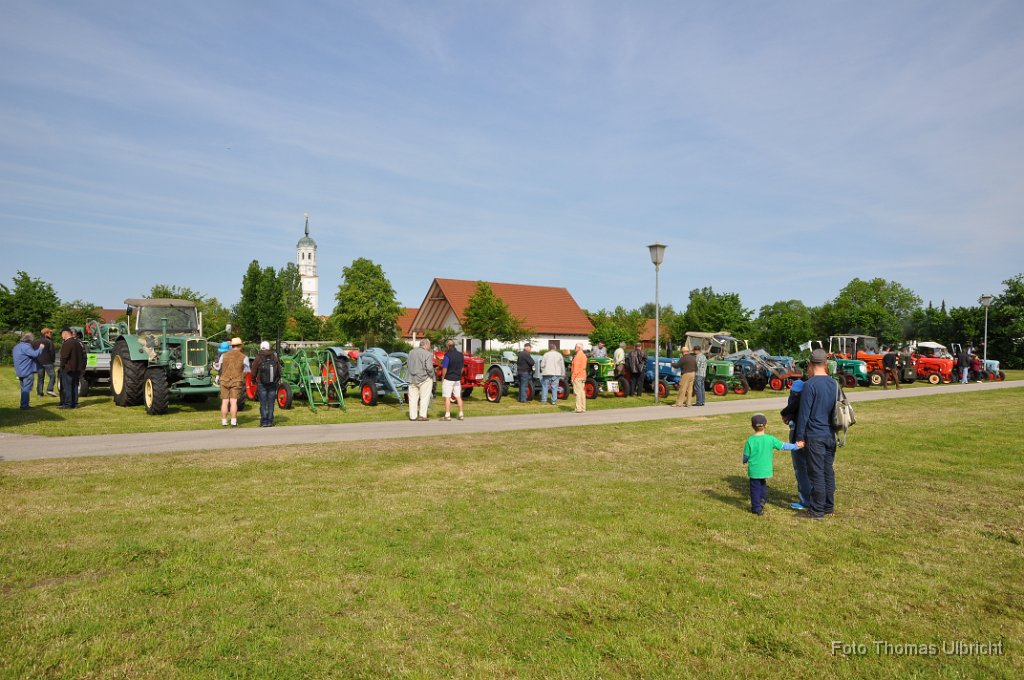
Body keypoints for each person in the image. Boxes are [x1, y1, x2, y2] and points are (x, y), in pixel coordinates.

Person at [794, 348, 838, 520]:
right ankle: (828, 506)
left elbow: (803, 415)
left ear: (810, 364)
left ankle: (817, 511)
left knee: (817, 473)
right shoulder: (834, 383)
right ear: (826, 364)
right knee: (828, 471)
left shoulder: (810, 385)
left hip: (814, 435)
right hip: (830, 434)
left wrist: (799, 437)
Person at [743, 413, 799, 515]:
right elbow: (783, 446)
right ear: (766, 425)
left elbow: (746, 455)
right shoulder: (770, 439)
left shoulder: (750, 440)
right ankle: (762, 500)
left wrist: (744, 460)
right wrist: (795, 446)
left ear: (752, 426)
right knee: (762, 483)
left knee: (755, 488)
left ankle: (756, 508)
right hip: (765, 469)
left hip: (754, 470)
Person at [780, 379, 812, 510]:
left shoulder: (799, 397)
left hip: (798, 434)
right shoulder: (815, 391)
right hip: (815, 433)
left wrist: (785, 413)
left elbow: (792, 407)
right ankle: (818, 497)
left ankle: (806, 500)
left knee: (801, 468)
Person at [250, 341, 280, 427]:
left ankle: (264, 422)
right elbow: (279, 370)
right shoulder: (274, 356)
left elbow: (253, 371)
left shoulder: (258, 357)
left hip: (261, 383)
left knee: (263, 403)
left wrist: (253, 380)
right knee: (271, 403)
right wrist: (277, 380)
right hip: (273, 383)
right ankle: (270, 421)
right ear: (268, 347)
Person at [219, 337, 246, 427]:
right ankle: (234, 421)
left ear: (232, 345)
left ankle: (224, 421)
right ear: (240, 346)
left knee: (225, 401)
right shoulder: (243, 357)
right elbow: (247, 370)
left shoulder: (223, 355)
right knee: (233, 402)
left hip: (224, 380)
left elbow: (219, 368)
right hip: (236, 380)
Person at [12, 332, 43, 410]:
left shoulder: (16, 347)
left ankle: (23, 404)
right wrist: (41, 348)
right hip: (27, 371)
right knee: (26, 389)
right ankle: (24, 405)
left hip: (19, 371)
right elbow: (35, 354)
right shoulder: (26, 347)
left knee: (23, 388)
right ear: (30, 340)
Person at [58, 327, 86, 409]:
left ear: (65, 333)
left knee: (67, 387)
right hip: (77, 369)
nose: (62, 337)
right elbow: (82, 356)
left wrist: (62, 366)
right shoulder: (78, 343)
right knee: (74, 386)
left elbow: (64, 357)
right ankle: (74, 403)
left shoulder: (67, 343)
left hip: (68, 369)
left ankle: (68, 404)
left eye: (62, 335)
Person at [407, 339, 434, 421]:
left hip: (412, 377)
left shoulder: (411, 352)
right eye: (429, 345)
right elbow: (429, 368)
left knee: (412, 398)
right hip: (424, 378)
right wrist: (432, 375)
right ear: (425, 344)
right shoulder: (428, 354)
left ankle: (413, 416)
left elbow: (408, 364)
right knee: (424, 397)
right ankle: (422, 415)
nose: (429, 347)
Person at [441, 339, 465, 420]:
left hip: (448, 378)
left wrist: (443, 377)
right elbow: (462, 368)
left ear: (447, 346)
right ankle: (461, 414)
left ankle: (447, 415)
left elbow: (445, 368)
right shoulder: (460, 355)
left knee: (447, 397)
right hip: (457, 379)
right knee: (458, 396)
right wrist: (459, 375)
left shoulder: (447, 355)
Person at [36, 328, 57, 398]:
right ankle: (49, 389)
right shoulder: (49, 342)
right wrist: (53, 361)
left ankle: (39, 393)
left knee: (40, 378)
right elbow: (52, 352)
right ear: (46, 333)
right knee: (52, 376)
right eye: (50, 333)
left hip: (38, 362)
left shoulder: (36, 341)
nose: (51, 334)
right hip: (48, 361)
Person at [571, 343, 588, 413]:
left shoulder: (577, 356)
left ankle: (578, 408)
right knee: (582, 392)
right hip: (583, 375)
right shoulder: (584, 355)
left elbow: (576, 368)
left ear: (578, 348)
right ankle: (583, 408)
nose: (574, 348)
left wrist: (572, 377)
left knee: (577, 393)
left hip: (577, 376)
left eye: (575, 347)